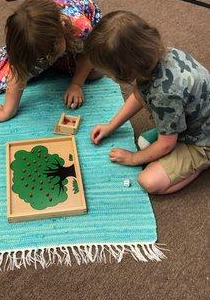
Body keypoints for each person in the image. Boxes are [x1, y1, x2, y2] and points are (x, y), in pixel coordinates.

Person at [84, 10, 210, 194]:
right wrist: (111, 126)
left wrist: (133, 158)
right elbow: (139, 95)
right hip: (193, 119)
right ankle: (173, 138)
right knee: (145, 143)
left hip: (202, 140)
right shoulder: (160, 55)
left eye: (108, 72)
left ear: (125, 71)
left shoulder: (165, 94)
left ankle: (200, 163)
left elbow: (166, 144)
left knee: (148, 181)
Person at [0, 0, 102, 122]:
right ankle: (48, 55)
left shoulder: (80, 27)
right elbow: (18, 72)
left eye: (52, 54)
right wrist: (8, 111)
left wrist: (76, 84)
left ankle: (62, 57)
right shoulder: (29, 43)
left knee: (95, 73)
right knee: (24, 64)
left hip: (83, 30)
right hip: (51, 36)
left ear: (61, 30)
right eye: (44, 58)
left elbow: (87, 55)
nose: (48, 60)